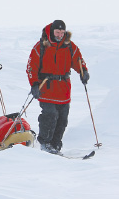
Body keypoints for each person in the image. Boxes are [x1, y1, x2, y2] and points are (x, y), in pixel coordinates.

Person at [26, 20, 90, 154]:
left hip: (64, 89)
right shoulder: (41, 46)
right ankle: (45, 143)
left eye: (62, 32)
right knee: (50, 115)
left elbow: (78, 60)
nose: (60, 35)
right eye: (57, 32)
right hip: (46, 88)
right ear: (52, 31)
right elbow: (31, 67)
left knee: (62, 119)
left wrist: (83, 71)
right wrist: (34, 84)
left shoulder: (70, 46)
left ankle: (55, 145)